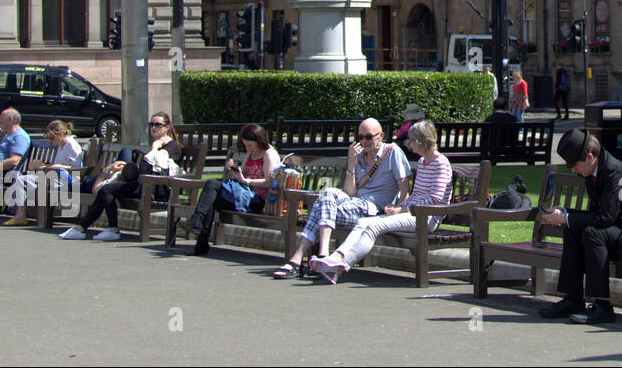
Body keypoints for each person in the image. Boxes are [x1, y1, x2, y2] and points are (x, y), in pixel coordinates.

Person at [309, 121, 454, 282]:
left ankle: (342, 264)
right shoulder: (423, 162)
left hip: (428, 217)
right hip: (414, 213)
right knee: (364, 222)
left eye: (411, 140)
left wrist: (402, 209)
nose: (409, 144)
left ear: (420, 141)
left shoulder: (441, 163)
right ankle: (336, 258)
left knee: (374, 226)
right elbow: (417, 195)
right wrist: (399, 206)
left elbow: (435, 199)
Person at [537, 129, 622, 325]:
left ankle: (603, 306)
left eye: (574, 165)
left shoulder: (615, 173)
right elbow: (599, 216)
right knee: (573, 228)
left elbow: (606, 217)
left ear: (589, 156)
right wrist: (565, 214)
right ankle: (573, 299)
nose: (573, 170)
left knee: (592, 234)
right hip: (619, 230)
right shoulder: (594, 171)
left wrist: (567, 217)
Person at [274, 118, 412, 278]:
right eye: (360, 137)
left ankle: (296, 260)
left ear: (380, 136)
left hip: (373, 210)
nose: (364, 141)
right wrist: (352, 164)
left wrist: (399, 210)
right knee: (327, 194)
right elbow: (350, 192)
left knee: (320, 207)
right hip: (355, 203)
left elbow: (404, 188)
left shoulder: (392, 152)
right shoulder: (358, 156)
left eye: (369, 137)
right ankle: (323, 254)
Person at [61, 111, 183, 242]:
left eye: (158, 125)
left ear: (167, 127)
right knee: (106, 190)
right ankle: (84, 228)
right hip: (143, 184)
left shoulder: (172, 147)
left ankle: (98, 229)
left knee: (106, 190)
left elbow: (157, 167)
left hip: (154, 189)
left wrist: (155, 147)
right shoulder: (161, 144)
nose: (154, 127)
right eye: (151, 124)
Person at [180, 124, 281, 255]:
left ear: (260, 141)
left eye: (250, 145)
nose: (247, 148)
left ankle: (198, 226)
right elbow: (243, 176)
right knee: (211, 197)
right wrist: (234, 172)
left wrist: (247, 181)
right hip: (242, 194)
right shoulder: (250, 153)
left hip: (256, 200)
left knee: (211, 186)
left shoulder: (269, 154)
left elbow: (269, 182)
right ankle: (200, 239)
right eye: (245, 145)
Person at [5, 119, 82, 226]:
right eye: (49, 138)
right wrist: (46, 166)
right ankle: (20, 215)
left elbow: (77, 168)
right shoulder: (61, 144)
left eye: (52, 138)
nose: (50, 141)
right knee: (21, 179)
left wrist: (55, 167)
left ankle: (36, 216)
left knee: (40, 187)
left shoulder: (72, 145)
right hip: (53, 176)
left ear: (60, 134)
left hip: (66, 181)